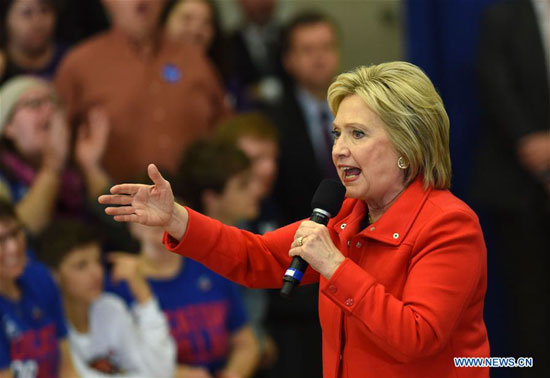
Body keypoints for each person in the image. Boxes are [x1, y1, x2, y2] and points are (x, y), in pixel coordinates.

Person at [99, 61, 490, 378]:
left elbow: (416, 337)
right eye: (337, 134)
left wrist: (335, 267)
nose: (339, 150)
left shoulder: (449, 225)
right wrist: (177, 219)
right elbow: (256, 257)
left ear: (407, 145)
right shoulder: (347, 214)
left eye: (357, 134)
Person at [108, 140, 260, 378]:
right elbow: (114, 363)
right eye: (143, 211)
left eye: (161, 209)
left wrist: (233, 374)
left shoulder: (210, 266)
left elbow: (245, 341)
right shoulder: (120, 283)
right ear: (129, 223)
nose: (154, 221)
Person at [55, 0, 229, 182]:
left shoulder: (195, 61)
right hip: (110, 204)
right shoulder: (79, 65)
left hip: (192, 205)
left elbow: (225, 133)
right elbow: (56, 151)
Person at [474, 1, 549, 376]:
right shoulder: (502, 16)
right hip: (518, 185)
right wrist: (531, 143)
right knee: (529, 304)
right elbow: (494, 82)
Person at [0, 76, 133, 251]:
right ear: (7, 126)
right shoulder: (4, 177)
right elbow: (21, 237)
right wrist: (52, 165)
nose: (49, 110)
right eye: (34, 104)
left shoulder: (74, 169)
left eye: (54, 103)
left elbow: (127, 231)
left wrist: (89, 166)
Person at [37, 220, 175, 378]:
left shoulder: (110, 308)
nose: (97, 272)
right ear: (53, 276)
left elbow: (161, 372)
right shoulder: (46, 326)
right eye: (81, 266)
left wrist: (144, 297)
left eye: (97, 261)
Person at [268, 11, 341, 224]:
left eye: (327, 47)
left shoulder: (362, 111)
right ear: (288, 60)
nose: (319, 58)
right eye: (308, 50)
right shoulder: (274, 122)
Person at [0, 199, 77, 377]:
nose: (13, 247)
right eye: (1, 241)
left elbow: (67, 366)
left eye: (15, 233)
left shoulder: (39, 277)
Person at [0, 0, 68, 84]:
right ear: (6, 19)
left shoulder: (69, 59)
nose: (37, 22)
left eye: (44, 10)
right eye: (27, 13)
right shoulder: (2, 64)